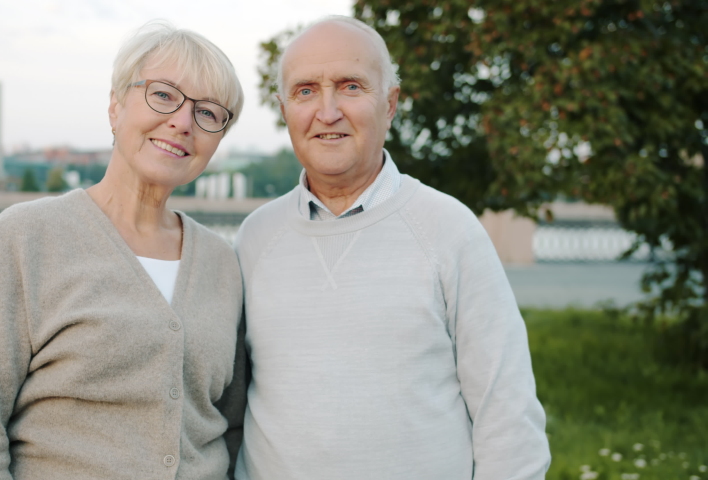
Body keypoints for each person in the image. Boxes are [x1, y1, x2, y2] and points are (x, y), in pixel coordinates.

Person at [233, 16, 550, 479]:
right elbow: (226, 407)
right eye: (305, 91)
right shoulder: (255, 238)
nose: (327, 111)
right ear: (284, 110)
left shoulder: (449, 230)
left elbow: (508, 415)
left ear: (391, 104)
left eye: (350, 86)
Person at [0, 22, 247, 479]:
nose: (183, 122)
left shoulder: (224, 262)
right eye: (163, 95)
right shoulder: (27, 237)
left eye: (208, 113)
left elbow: (232, 423)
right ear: (115, 107)